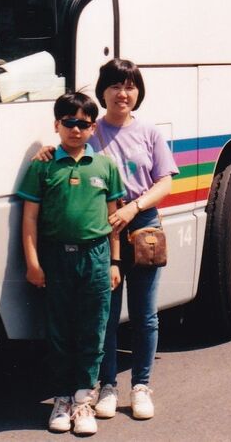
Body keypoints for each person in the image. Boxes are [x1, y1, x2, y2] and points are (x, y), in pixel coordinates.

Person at [34, 59, 178, 421]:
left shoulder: (149, 132)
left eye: (129, 86)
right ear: (103, 92)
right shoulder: (93, 129)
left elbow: (165, 181)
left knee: (145, 314)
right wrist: (47, 152)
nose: (122, 93)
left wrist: (134, 208)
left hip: (142, 225)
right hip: (102, 231)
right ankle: (108, 386)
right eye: (115, 86)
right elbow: (70, 145)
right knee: (106, 317)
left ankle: (141, 386)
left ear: (138, 93)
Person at [19, 92, 124, 435]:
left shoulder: (105, 166)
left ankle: (83, 400)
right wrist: (33, 263)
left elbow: (113, 219)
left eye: (83, 124)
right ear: (57, 125)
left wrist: (115, 262)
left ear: (93, 128)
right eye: (69, 122)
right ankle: (62, 400)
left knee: (93, 330)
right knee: (59, 330)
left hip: (96, 257)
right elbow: (29, 219)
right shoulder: (43, 166)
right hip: (56, 257)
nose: (76, 130)